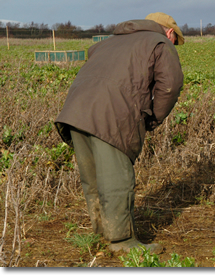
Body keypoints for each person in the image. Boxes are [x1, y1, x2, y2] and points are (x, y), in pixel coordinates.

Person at [54, 12, 184, 253]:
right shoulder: (159, 43)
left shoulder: (107, 42)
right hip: (111, 112)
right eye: (175, 40)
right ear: (169, 32)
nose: (174, 45)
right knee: (117, 179)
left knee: (93, 177)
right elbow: (170, 85)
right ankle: (122, 242)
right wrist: (153, 119)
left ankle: (102, 232)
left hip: (75, 110)